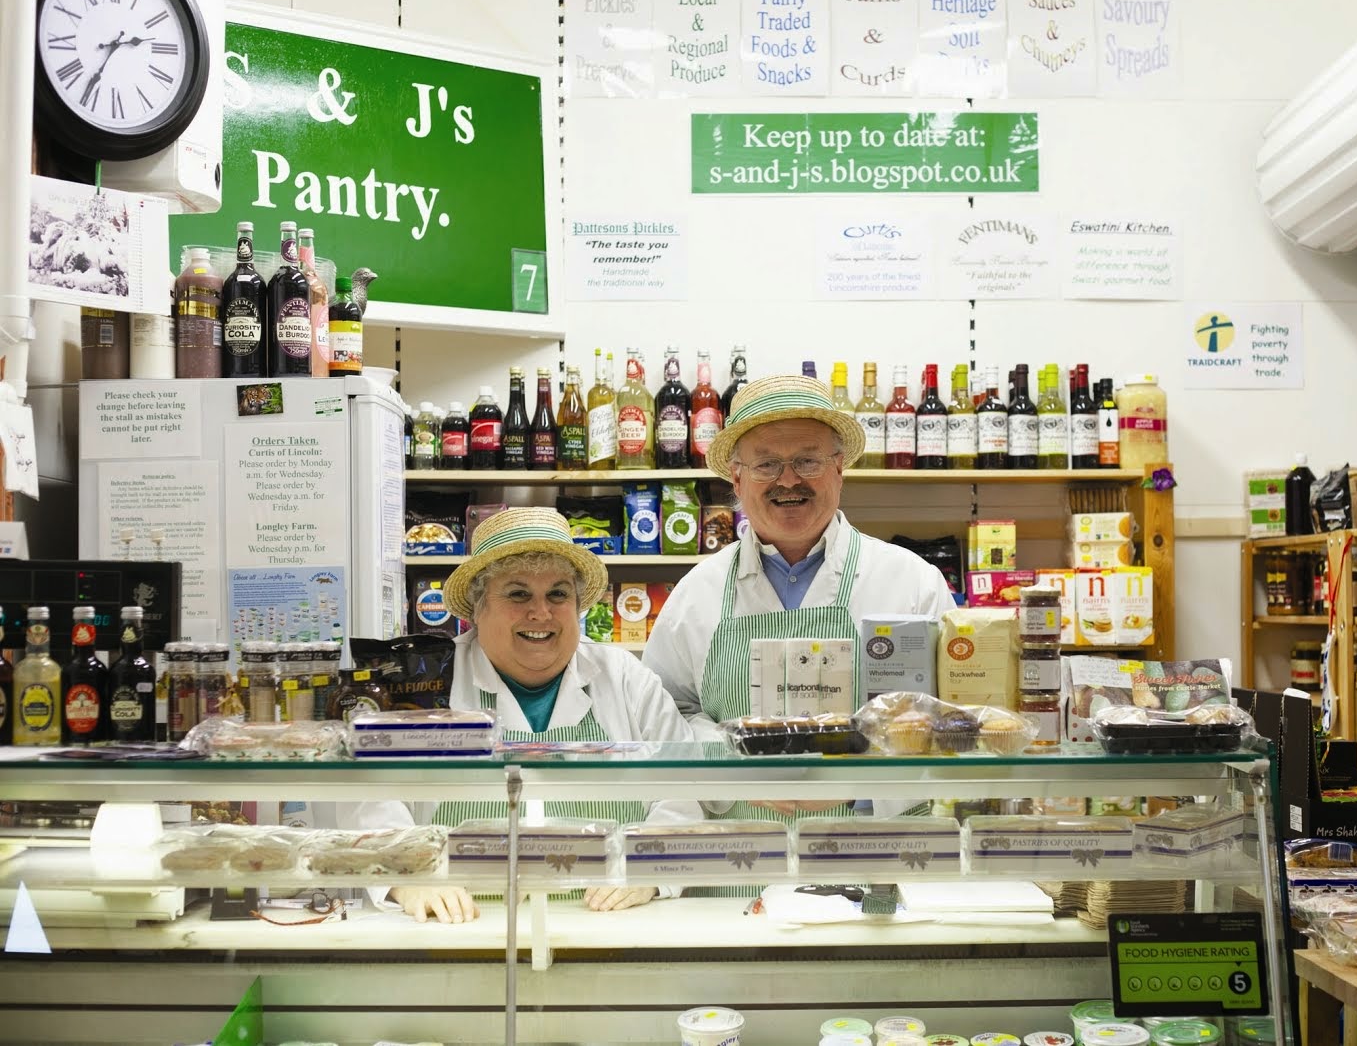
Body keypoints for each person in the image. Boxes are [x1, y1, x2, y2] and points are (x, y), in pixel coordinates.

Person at [344, 506, 699, 923]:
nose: (541, 613)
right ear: (477, 609)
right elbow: (367, 794)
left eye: (558, 594)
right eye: (517, 594)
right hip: (456, 929)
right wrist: (408, 874)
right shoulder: (428, 680)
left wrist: (646, 866)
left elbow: (686, 788)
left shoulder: (624, 679)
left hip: (608, 926)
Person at [644, 374, 956, 819]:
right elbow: (664, 717)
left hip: (875, 864)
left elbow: (955, 725)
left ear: (839, 468)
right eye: (766, 465)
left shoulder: (911, 581)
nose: (788, 481)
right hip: (738, 867)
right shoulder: (697, 592)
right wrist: (734, 766)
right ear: (737, 478)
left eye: (807, 461)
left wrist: (860, 785)